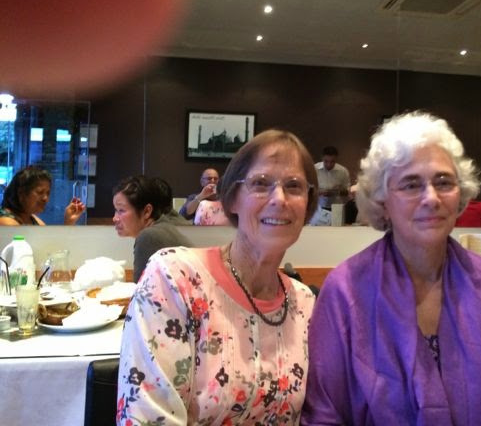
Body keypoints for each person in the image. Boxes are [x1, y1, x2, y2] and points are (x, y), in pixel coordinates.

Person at [302, 111, 481, 424]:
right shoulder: (345, 291)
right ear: (382, 202)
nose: (431, 198)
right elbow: (324, 415)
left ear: (461, 195)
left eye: (443, 182)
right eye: (411, 184)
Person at [117, 129, 319, 424]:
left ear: (308, 204)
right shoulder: (174, 278)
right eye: (261, 183)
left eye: (294, 186)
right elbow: (147, 417)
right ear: (232, 199)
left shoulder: (305, 305)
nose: (279, 198)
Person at [112, 175, 192, 282]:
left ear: (147, 211)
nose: (115, 218)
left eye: (121, 210)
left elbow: (141, 291)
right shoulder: (163, 228)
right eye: (116, 210)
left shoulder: (149, 237)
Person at [0, 166, 86, 226]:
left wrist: (69, 221)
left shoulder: (32, 218)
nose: (46, 198)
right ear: (21, 193)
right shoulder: (6, 222)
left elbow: (51, 244)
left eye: (48, 193)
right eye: (40, 192)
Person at [309, 146, 351, 225]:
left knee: (337, 230)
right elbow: (308, 189)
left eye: (332, 161)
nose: (329, 164)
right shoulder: (314, 169)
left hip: (336, 208)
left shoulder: (343, 171)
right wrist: (319, 192)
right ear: (322, 158)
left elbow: (347, 192)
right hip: (318, 208)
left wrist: (337, 192)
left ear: (336, 159)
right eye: (326, 161)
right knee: (316, 231)